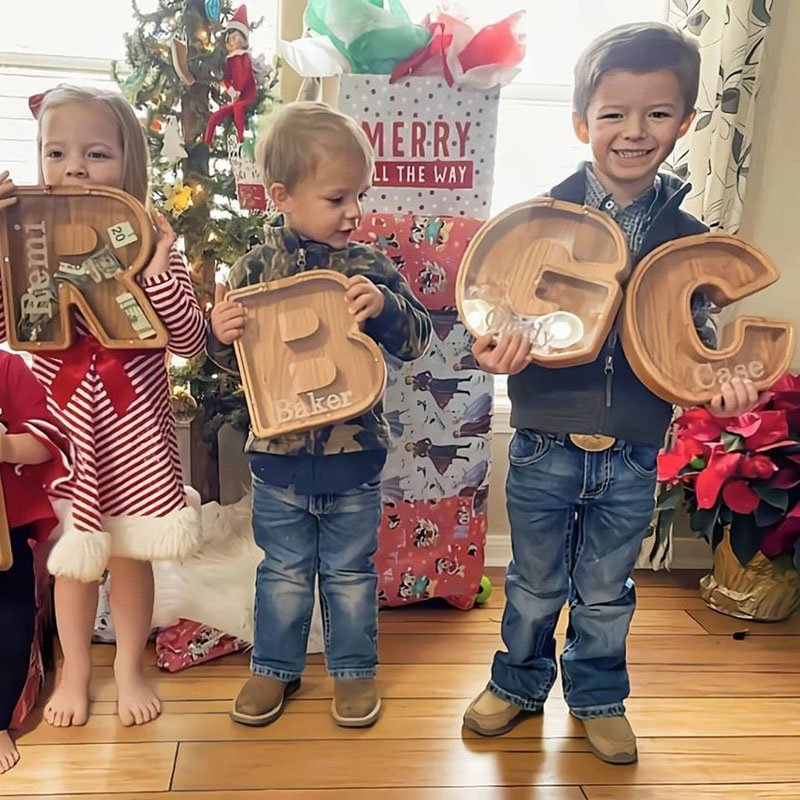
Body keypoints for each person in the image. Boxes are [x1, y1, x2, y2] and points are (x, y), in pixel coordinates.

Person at [461, 23, 758, 764]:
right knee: (532, 581)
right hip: (541, 441)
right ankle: (517, 683)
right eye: (614, 114)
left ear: (686, 123)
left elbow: (697, 342)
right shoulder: (538, 222)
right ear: (581, 122)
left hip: (631, 450)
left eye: (658, 114)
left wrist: (717, 389)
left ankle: (597, 697)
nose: (635, 131)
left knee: (605, 589)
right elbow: (495, 314)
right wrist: (493, 347)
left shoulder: (690, 242)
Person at [210, 101, 431, 728]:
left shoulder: (368, 266)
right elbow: (243, 377)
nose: (354, 212)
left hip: (353, 458)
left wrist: (386, 307)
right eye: (337, 198)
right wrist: (218, 337)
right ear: (282, 196)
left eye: (359, 195)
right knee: (282, 572)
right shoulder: (251, 271)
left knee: (350, 575)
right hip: (277, 461)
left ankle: (354, 672)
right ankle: (274, 670)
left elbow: (415, 340)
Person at [0, 83, 206, 728]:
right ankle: (78, 669)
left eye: (96, 154)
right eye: (56, 153)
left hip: (133, 428)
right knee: (71, 558)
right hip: (60, 429)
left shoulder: (146, 242)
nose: (75, 169)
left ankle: (127, 666)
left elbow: (192, 340)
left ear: (130, 165)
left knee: (129, 553)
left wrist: (157, 269)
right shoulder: (26, 243)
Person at [0, 352, 73, 772]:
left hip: (4, 529)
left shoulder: (9, 369)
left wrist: (6, 446)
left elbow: (47, 440)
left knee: (10, 621)